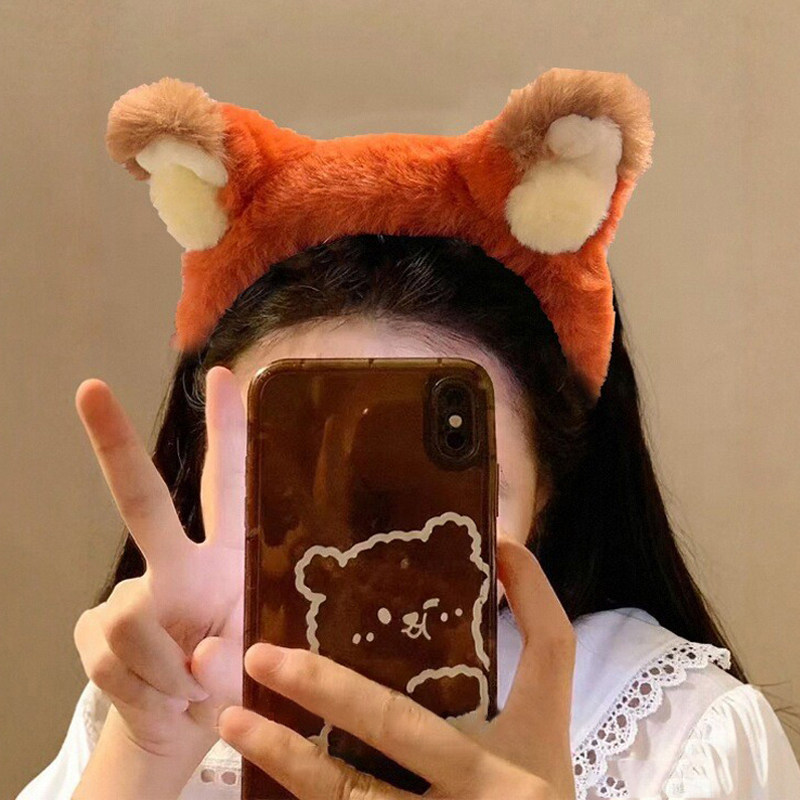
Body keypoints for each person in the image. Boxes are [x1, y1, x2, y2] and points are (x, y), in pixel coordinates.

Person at [17, 70, 800, 799]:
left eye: (414, 493)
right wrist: (142, 759)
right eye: (289, 475)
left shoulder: (673, 733)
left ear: (546, 494)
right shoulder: (148, 702)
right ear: (206, 467)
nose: (361, 541)